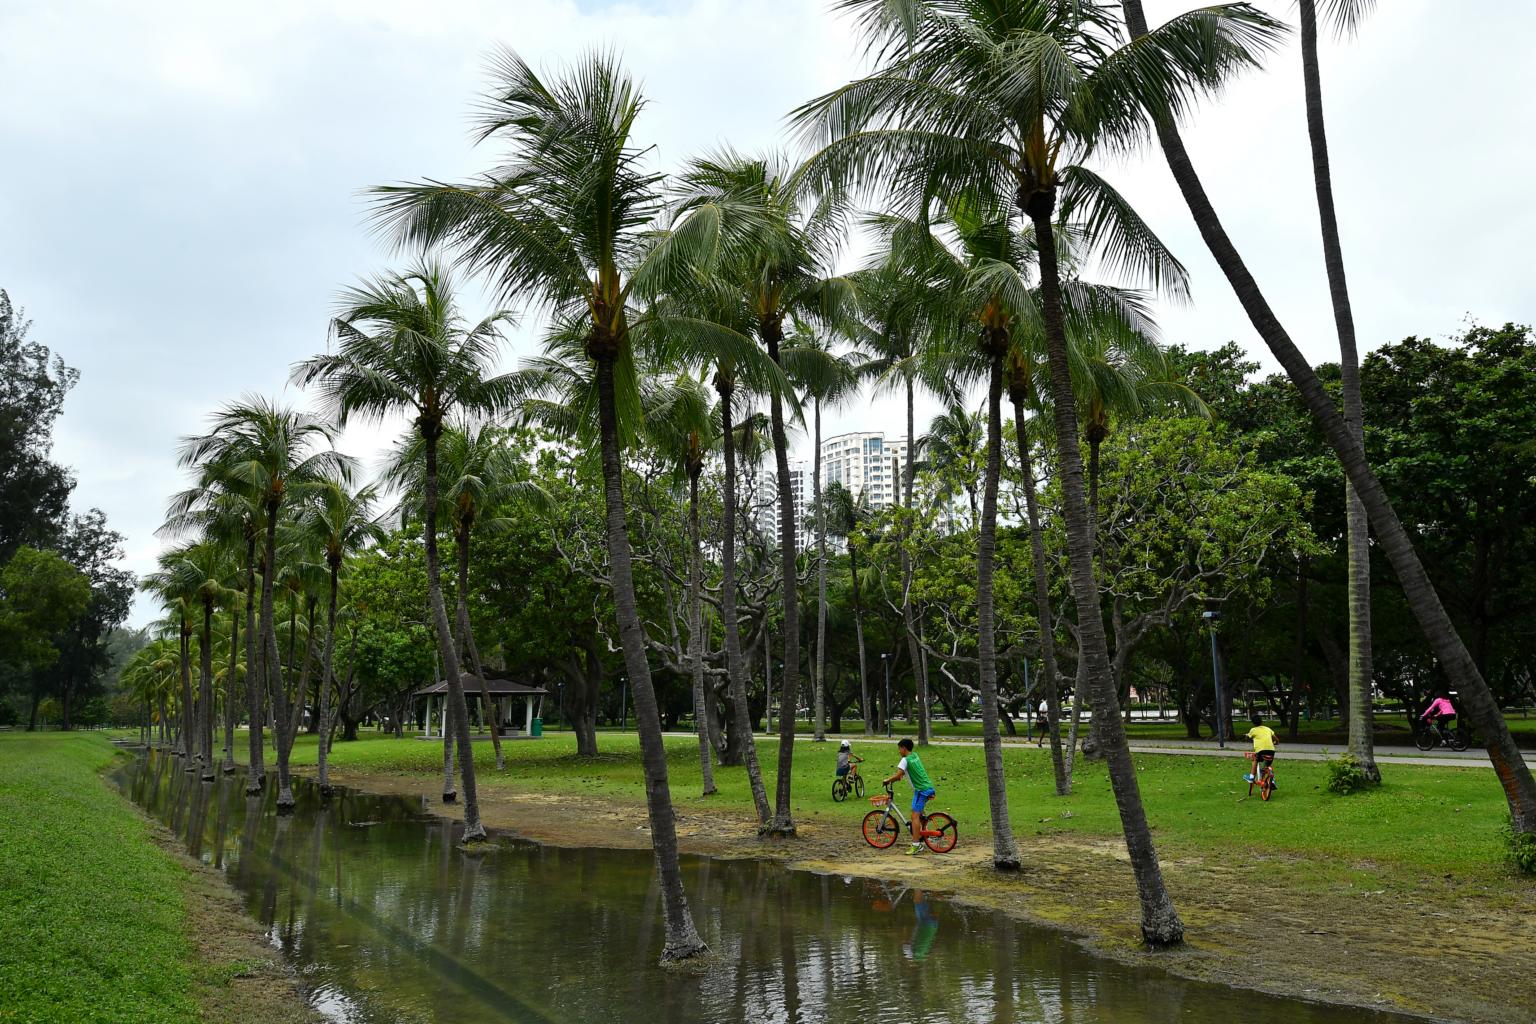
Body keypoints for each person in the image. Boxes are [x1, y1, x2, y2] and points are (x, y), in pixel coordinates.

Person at [884, 738, 936, 855]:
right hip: (928, 787)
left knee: (914, 816)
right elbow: (904, 774)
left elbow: (898, 775)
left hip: (921, 790)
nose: (899, 751)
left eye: (899, 749)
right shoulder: (914, 755)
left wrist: (887, 780)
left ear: (903, 748)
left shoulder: (905, 760)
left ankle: (916, 845)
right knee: (919, 813)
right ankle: (923, 835)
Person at [1242, 712, 1277, 789]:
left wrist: (1246, 736)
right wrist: (1276, 742)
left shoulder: (1253, 730)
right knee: (1268, 765)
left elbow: (1248, 736)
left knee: (1255, 760)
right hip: (1271, 751)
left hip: (1261, 751)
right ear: (1261, 721)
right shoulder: (1268, 729)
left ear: (1253, 723)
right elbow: (1275, 738)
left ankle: (1251, 777)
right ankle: (1272, 781)